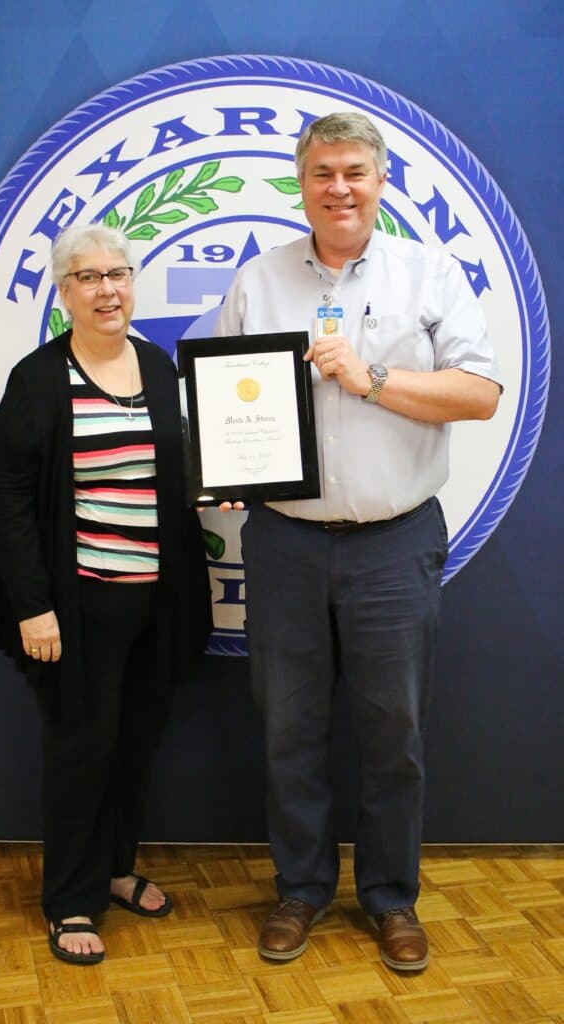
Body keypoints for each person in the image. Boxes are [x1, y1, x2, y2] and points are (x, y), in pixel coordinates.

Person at [215, 112, 502, 972]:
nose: (337, 188)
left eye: (353, 172)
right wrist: (227, 458)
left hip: (392, 544)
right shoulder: (258, 281)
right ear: (299, 184)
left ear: (381, 182)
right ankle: (299, 892)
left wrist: (369, 377)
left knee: (392, 735)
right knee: (287, 733)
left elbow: (480, 394)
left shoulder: (430, 272)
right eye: (321, 173)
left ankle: (388, 899)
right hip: (284, 543)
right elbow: (226, 396)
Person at [0, 223, 212, 965]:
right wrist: (32, 605)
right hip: (75, 609)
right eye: (89, 278)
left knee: (136, 744)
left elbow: (171, 473)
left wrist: (223, 487)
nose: (108, 289)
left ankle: (115, 870)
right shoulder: (40, 377)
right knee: (81, 750)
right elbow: (8, 496)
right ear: (64, 293)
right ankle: (71, 902)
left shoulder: (156, 365)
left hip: (157, 604)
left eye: (118, 273)